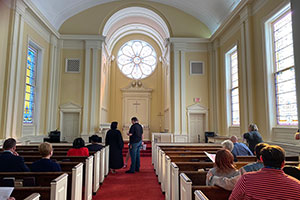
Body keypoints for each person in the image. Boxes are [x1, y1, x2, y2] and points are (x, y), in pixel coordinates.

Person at [229, 145, 300, 200]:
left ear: (261, 159)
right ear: (283, 163)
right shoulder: (297, 185)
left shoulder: (246, 179)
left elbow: (233, 198)